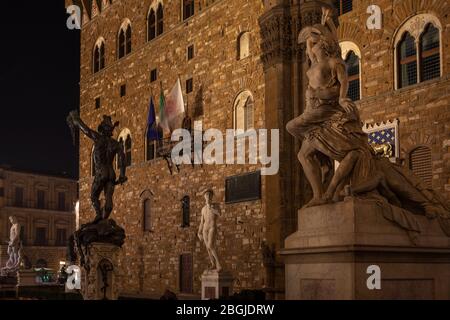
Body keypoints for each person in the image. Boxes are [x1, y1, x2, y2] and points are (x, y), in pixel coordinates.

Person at [67, 111, 128, 223]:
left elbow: (86, 130)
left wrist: (77, 120)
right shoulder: (115, 144)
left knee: (93, 195)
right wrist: (122, 175)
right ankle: (104, 219)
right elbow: (122, 159)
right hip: (111, 172)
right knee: (108, 196)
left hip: (101, 171)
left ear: (102, 129)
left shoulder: (98, 138)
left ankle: (99, 215)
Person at [198, 189, 222, 272]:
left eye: (209, 195)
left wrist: (212, 209)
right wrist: (199, 232)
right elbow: (202, 222)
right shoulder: (203, 209)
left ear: (211, 196)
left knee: (210, 245)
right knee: (208, 248)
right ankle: (213, 264)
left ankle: (218, 264)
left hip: (212, 227)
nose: (208, 196)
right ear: (204, 197)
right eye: (206, 195)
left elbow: (219, 214)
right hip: (205, 229)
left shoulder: (215, 205)